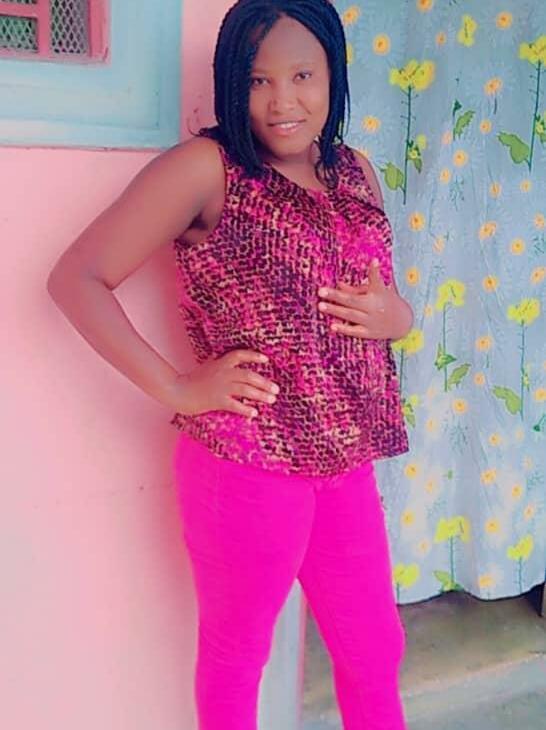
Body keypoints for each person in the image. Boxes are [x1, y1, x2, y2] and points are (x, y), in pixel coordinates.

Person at [47, 1, 414, 728]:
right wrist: (176, 386)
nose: (282, 102)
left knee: (375, 651)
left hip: (346, 459)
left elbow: (386, 303)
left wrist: (396, 317)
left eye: (302, 76)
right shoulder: (207, 169)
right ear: (229, 83)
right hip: (249, 465)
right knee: (238, 658)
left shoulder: (354, 172)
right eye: (256, 80)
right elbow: (76, 279)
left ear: (333, 75)